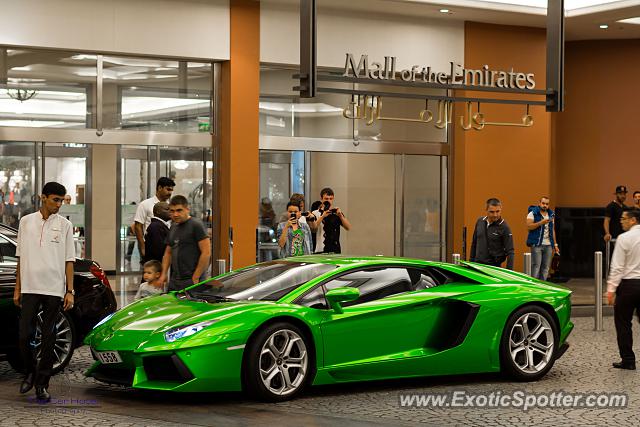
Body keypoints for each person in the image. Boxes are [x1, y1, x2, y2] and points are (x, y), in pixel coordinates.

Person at [13, 182, 75, 402]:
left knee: (48, 338)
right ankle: (30, 371)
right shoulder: (25, 222)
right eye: (55, 199)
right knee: (23, 336)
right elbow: (20, 257)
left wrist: (70, 291)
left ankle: (42, 384)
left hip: (53, 289)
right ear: (43, 197)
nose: (59, 204)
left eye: (61, 200)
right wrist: (18, 288)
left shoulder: (65, 225)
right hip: (30, 287)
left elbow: (69, 261)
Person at [607, 208, 640, 370]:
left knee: (623, 323)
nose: (621, 221)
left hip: (628, 285)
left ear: (633, 220)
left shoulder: (624, 238)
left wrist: (611, 289)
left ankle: (628, 360)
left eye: (624, 218)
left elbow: (617, 267)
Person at [159, 195, 211, 292]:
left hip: (192, 280)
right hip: (175, 280)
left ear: (187, 209)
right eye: (172, 211)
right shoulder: (173, 227)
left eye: (179, 210)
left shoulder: (196, 225)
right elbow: (168, 253)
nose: (175, 214)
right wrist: (163, 274)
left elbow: (206, 252)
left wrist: (196, 276)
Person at [133, 177, 175, 262]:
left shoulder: (170, 206)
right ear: (159, 188)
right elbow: (138, 226)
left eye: (171, 190)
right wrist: (142, 247)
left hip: (165, 247)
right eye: (168, 189)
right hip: (151, 246)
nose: (170, 193)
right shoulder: (145, 204)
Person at [470, 198, 515, 269]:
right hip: (477, 265)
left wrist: (509, 271)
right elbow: (474, 243)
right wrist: (471, 263)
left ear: (501, 209)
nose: (495, 215)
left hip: (493, 267)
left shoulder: (504, 227)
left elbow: (510, 251)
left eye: (498, 211)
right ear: (486, 209)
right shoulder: (480, 221)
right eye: (492, 212)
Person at [526, 196, 560, 280]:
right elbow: (529, 227)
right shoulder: (532, 213)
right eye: (543, 203)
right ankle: (534, 287)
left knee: (546, 268)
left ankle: (543, 286)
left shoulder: (551, 214)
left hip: (549, 244)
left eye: (547, 204)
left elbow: (552, 230)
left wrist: (555, 245)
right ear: (539, 203)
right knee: (536, 266)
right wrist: (541, 222)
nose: (545, 205)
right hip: (537, 244)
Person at [311, 188, 351, 253]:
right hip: (320, 249)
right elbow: (313, 229)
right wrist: (322, 216)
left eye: (331, 199)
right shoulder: (315, 213)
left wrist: (340, 215)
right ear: (321, 199)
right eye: (326, 199)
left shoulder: (336, 213)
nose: (328, 201)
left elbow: (348, 227)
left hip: (335, 249)